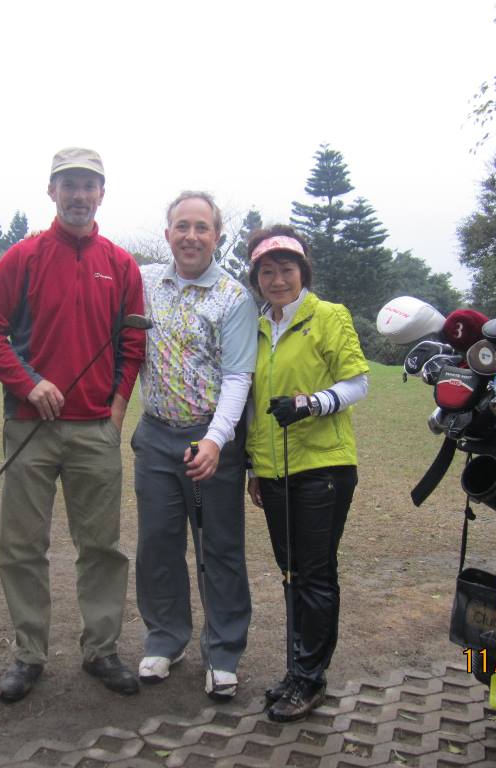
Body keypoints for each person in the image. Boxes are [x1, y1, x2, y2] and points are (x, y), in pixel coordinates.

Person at [0, 147, 146, 703]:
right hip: (31, 427)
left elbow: (133, 342)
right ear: (52, 191)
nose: (78, 195)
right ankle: (29, 654)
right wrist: (27, 383)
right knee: (22, 547)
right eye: (68, 184)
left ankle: (101, 649)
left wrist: (118, 408)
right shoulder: (23, 257)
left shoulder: (120, 264)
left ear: (101, 194)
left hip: (95, 429)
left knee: (102, 547)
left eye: (89, 185)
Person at [132, 191, 258, 700]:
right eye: (181, 226)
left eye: (201, 227)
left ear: (216, 237)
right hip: (155, 436)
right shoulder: (142, 282)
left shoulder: (233, 297)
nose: (190, 236)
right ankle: (165, 638)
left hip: (212, 439)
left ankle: (223, 653)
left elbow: (238, 376)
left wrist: (215, 440)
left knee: (219, 549)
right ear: (167, 234)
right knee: (157, 544)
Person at [244, 225, 369, 722]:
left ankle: (310, 679)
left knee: (315, 574)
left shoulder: (328, 316)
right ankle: (297, 669)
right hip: (274, 470)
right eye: (267, 271)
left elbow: (357, 383)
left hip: (323, 467)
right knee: (291, 571)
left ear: (303, 272)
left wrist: (311, 403)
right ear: (256, 277)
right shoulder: (257, 327)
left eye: (286, 269)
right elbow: (253, 403)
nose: (277, 280)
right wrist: (254, 467)